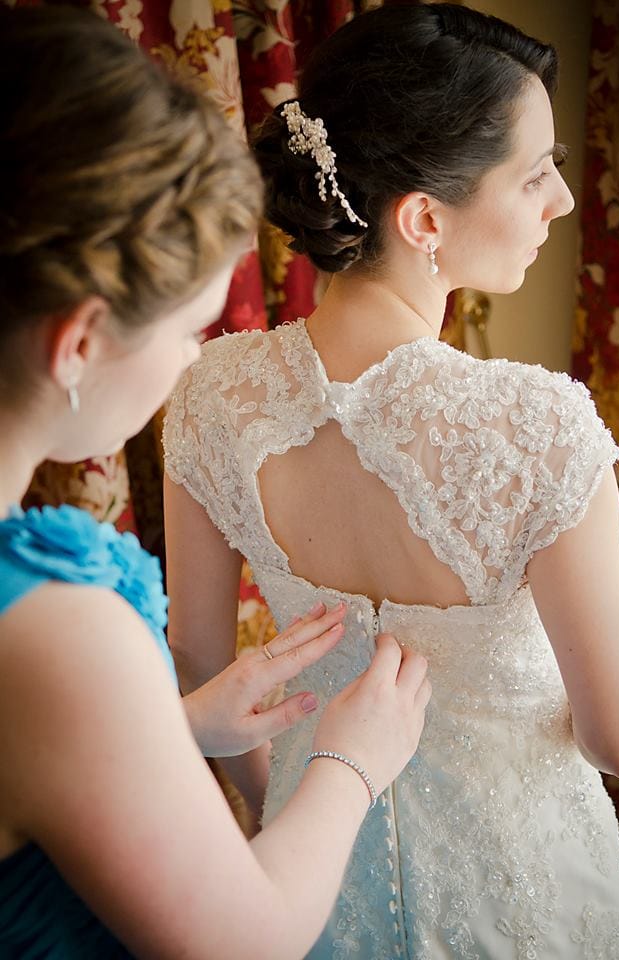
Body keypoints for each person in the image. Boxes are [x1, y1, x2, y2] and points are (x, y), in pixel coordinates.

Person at [163, 3, 619, 957]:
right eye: (537, 172)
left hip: (314, 873)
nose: (563, 201)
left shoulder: (210, 396)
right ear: (423, 218)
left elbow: (202, 662)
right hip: (524, 899)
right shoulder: (538, 429)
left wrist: (295, 794)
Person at [0, 7, 432, 959]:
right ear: (79, 342)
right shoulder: (49, 629)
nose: (194, 359)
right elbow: (249, 942)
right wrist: (351, 762)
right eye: (186, 329)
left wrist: (170, 723)